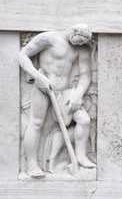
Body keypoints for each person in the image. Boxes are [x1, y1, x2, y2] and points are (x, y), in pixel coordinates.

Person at [18, 24, 96, 177]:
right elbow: (23, 55)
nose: (79, 45)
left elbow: (85, 75)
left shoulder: (81, 49)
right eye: (79, 41)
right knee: (36, 123)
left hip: (65, 92)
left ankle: (81, 156)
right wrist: (38, 77)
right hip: (43, 87)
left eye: (82, 43)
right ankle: (32, 165)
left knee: (84, 120)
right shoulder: (49, 38)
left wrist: (78, 94)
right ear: (73, 32)